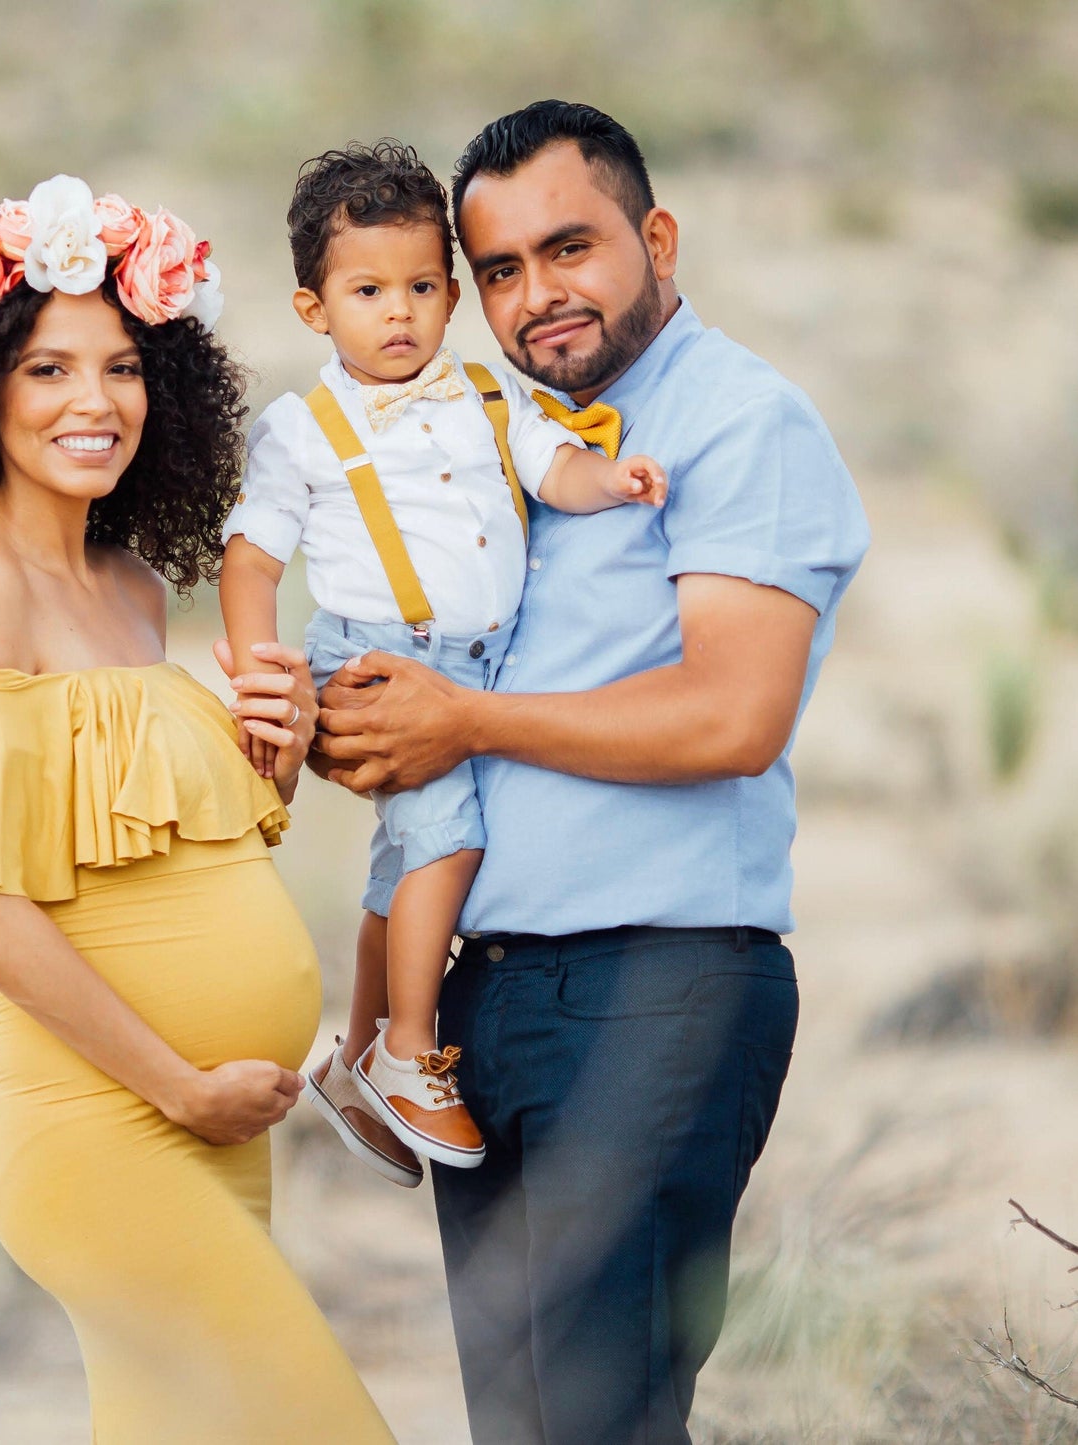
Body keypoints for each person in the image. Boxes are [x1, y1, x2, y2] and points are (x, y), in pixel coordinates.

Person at [314, 102, 871, 1445]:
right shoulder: (494, 440)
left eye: (568, 249)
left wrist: (464, 723)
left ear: (655, 236)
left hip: (654, 987)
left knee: (600, 1426)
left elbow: (731, 716)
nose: (534, 296)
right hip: (482, 1005)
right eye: (497, 269)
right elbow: (438, 736)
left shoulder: (739, 421)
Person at [0, 175, 393, 1444]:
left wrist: (275, 752)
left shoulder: (131, 588)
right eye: (47, 370)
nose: (95, 401)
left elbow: (165, 852)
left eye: (124, 367)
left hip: (217, 1125)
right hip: (106, 1130)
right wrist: (180, 1087)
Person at [219, 141, 665, 1184]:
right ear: (311, 309)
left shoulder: (481, 394)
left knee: (402, 862)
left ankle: (357, 1049)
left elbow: (550, 468)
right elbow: (249, 558)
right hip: (376, 660)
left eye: (421, 286)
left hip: (475, 662)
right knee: (446, 847)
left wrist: (612, 478)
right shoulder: (302, 431)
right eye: (367, 290)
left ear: (451, 292)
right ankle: (412, 1049)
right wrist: (263, 678)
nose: (399, 312)